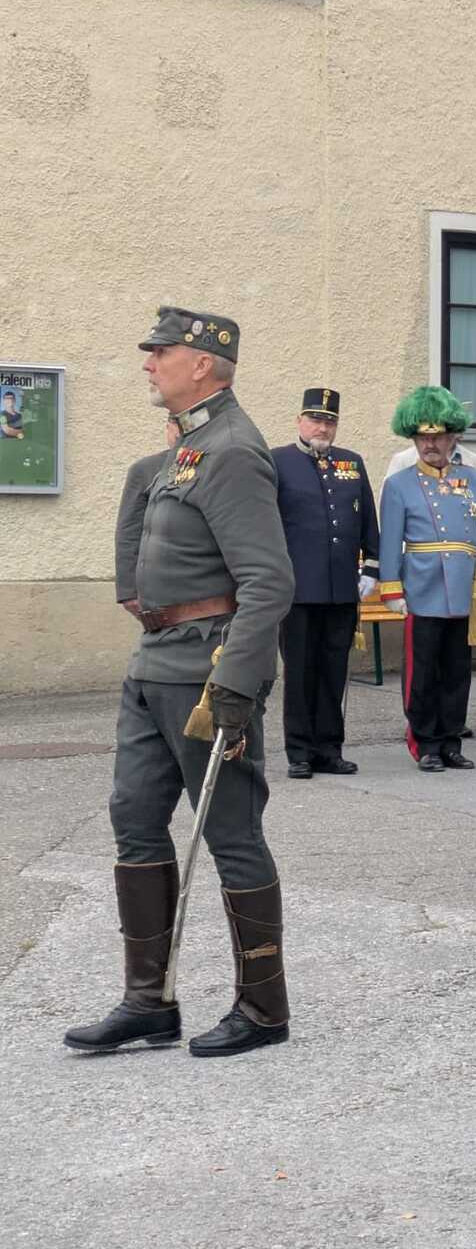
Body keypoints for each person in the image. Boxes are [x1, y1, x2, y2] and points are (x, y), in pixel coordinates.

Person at [65, 306, 295, 1059]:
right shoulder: (188, 445)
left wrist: (237, 682)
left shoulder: (233, 450)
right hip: (154, 664)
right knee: (134, 818)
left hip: (204, 675)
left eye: (159, 352)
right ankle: (148, 1001)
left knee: (230, 834)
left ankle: (262, 1007)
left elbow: (268, 581)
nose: (147, 363)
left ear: (201, 363)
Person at [377, 386, 476, 773]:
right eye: (423, 437)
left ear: (453, 438)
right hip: (422, 588)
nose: (430, 444)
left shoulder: (471, 479)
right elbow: (390, 540)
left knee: (457, 673)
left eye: (438, 437)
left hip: (462, 590)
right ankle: (425, 743)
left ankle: (450, 741)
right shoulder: (399, 484)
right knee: (422, 673)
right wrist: (391, 587)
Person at [271, 388, 379, 781]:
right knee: (300, 673)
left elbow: (367, 518)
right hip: (298, 590)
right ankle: (299, 752)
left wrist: (372, 568)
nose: (323, 427)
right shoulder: (278, 461)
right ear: (299, 421)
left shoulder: (351, 462)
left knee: (335, 672)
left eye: (330, 421)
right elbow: (267, 523)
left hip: (340, 589)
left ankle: (330, 749)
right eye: (316, 419)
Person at [115, 420, 182, 616]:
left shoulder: (215, 465)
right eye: (175, 425)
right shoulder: (146, 469)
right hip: (157, 584)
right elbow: (129, 531)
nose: (180, 433)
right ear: (168, 428)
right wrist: (128, 590)